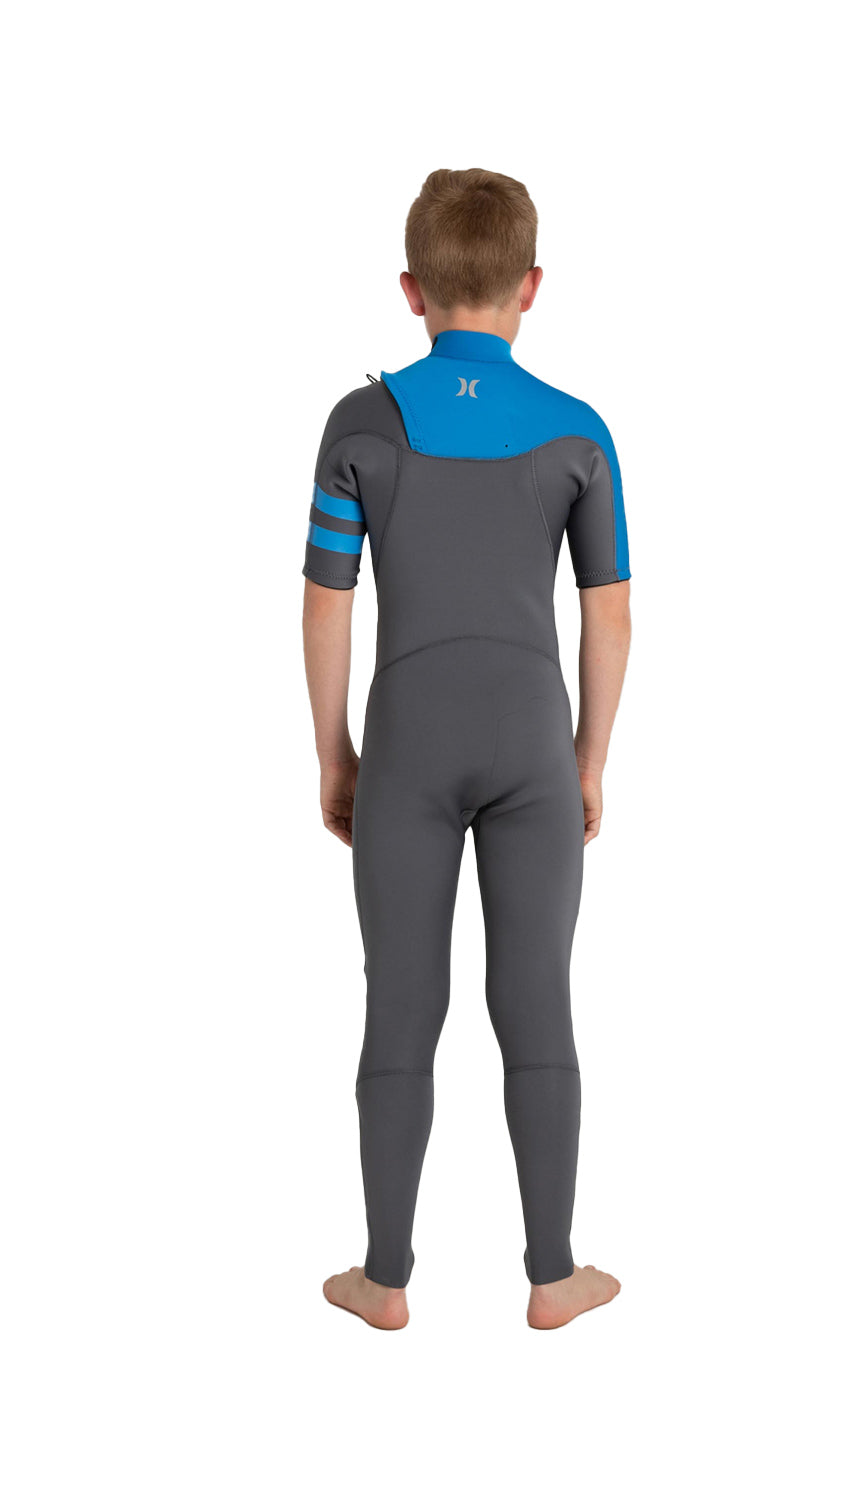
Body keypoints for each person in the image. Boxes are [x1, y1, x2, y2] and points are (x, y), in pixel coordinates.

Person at [303, 168, 631, 1330]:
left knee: (400, 1003)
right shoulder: (579, 432)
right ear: (530, 287)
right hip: (534, 746)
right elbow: (608, 614)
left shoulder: (360, 426)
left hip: (405, 746)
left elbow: (327, 604)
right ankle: (553, 1276)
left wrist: (336, 757)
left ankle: (383, 1280)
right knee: (536, 1000)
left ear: (412, 290)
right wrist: (587, 761)